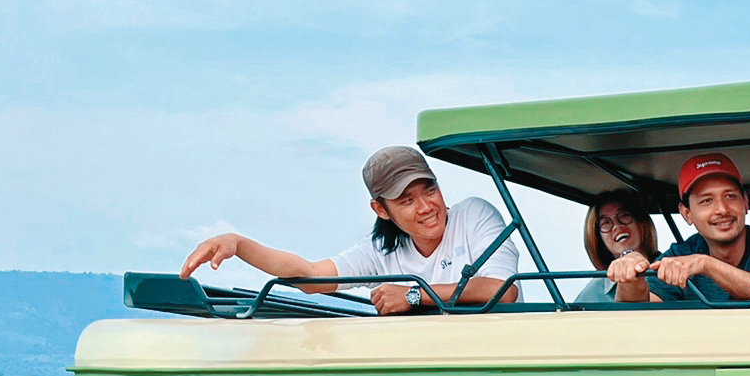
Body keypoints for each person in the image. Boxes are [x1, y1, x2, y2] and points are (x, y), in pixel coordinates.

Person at [179, 147, 519, 314]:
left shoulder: (474, 214)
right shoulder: (380, 252)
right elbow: (310, 276)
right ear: (381, 210)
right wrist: (239, 244)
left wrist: (413, 294)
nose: (426, 207)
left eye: (429, 190)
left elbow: (502, 291)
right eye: (406, 200)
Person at [606, 154, 750, 305]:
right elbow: (638, 313)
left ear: (745, 202)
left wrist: (706, 265)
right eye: (706, 201)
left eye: (730, 196)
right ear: (687, 214)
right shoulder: (680, 254)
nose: (722, 209)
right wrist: (630, 278)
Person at [575, 190, 662, 305]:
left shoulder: (671, 266)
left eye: (624, 216)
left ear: (641, 221)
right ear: (598, 237)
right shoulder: (595, 290)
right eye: (605, 223)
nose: (617, 226)